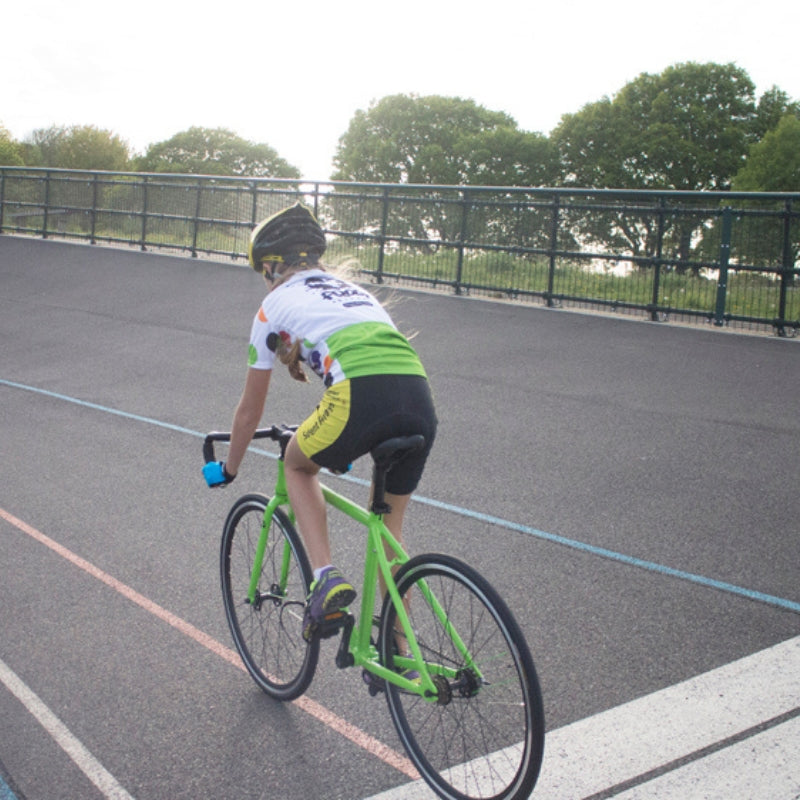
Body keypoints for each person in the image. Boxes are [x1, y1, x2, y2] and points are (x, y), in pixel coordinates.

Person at [204, 202, 437, 643]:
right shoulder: (354, 294)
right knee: (390, 530)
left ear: (271, 266)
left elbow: (250, 410)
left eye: (263, 272)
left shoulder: (273, 306)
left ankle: (326, 577)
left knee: (297, 464)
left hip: (358, 396)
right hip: (418, 394)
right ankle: (399, 650)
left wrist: (230, 468)